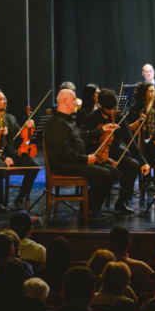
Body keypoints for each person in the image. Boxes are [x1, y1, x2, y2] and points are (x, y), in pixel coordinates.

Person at [45, 89, 120, 220]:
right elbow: (64, 152)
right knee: (104, 173)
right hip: (64, 165)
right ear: (65, 101)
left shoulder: (68, 120)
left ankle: (91, 208)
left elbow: (82, 136)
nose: (77, 102)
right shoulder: (57, 123)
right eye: (74, 99)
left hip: (74, 161)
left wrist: (102, 129)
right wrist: (85, 159)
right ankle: (89, 210)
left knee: (112, 171)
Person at [82, 88, 150, 214]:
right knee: (110, 171)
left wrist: (143, 161)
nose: (111, 113)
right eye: (108, 109)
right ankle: (92, 207)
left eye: (113, 109)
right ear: (100, 105)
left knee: (133, 166)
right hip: (97, 156)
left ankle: (122, 202)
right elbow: (85, 142)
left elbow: (130, 140)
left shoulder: (118, 116)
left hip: (115, 154)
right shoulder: (91, 118)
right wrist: (101, 131)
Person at [0, 89, 40, 209]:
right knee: (0, 167)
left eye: (5, 99)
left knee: (34, 166)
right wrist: (4, 157)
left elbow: (19, 135)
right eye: (1, 99)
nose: (5, 102)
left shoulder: (10, 118)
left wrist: (28, 127)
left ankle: (20, 198)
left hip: (12, 153)